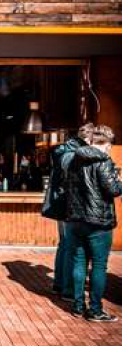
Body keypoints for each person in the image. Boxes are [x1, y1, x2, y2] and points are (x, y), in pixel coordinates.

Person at [66, 125, 122, 322]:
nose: (109, 150)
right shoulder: (104, 161)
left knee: (79, 262)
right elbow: (113, 190)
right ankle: (96, 310)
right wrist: (119, 179)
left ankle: (78, 306)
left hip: (75, 220)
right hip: (98, 222)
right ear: (104, 143)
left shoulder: (74, 159)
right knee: (99, 265)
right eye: (109, 146)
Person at [42, 123, 94, 301]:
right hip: (69, 204)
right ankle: (67, 289)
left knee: (64, 244)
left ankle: (59, 284)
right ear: (87, 139)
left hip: (61, 203)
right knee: (71, 246)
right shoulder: (74, 153)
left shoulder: (63, 149)